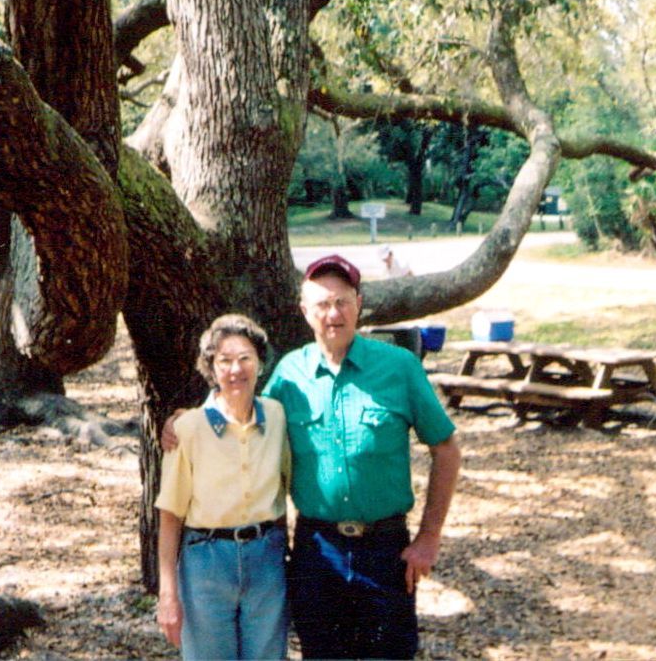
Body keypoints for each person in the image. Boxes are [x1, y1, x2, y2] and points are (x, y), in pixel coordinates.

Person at [162, 255, 460, 659]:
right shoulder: (291, 373)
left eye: (342, 302)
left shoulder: (399, 367)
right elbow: (244, 411)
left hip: (385, 548)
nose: (333, 314)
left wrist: (429, 537)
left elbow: (446, 449)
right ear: (305, 311)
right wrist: (189, 419)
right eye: (322, 304)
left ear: (359, 304)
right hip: (317, 550)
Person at [155, 314, 290, 660]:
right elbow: (170, 516)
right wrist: (168, 595)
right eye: (224, 361)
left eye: (245, 358)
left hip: (266, 557)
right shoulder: (188, 429)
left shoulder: (276, 416)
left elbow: (284, 487)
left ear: (260, 363)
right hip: (207, 561)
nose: (236, 369)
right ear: (211, 369)